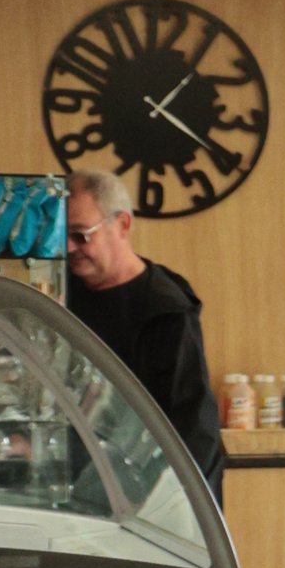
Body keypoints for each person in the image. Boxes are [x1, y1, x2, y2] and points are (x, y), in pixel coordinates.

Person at [63, 172, 224, 494]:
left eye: (81, 235)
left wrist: (169, 500)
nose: (69, 248)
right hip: (79, 483)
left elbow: (192, 425)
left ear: (122, 224)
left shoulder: (166, 308)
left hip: (150, 489)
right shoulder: (62, 293)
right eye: (61, 235)